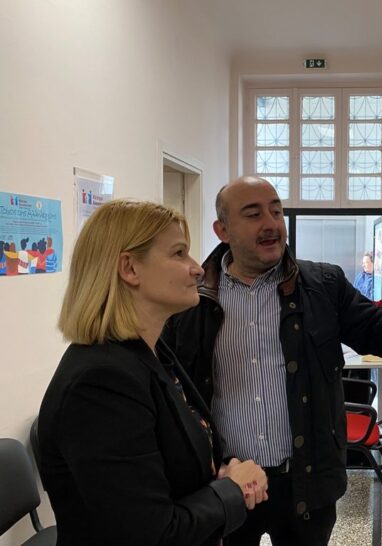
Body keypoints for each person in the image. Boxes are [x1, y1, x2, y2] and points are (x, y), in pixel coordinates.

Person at [162, 176, 382, 546]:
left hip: (305, 483)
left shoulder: (323, 284)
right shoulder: (192, 299)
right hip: (226, 483)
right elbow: (172, 388)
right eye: (253, 214)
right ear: (223, 230)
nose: (271, 224)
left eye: (276, 211)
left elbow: (376, 332)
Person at [38, 200, 269, 546]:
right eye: (179, 253)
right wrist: (231, 488)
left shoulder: (152, 354)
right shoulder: (100, 384)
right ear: (130, 268)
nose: (196, 269)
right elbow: (153, 534)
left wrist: (220, 471)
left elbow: (173, 460)